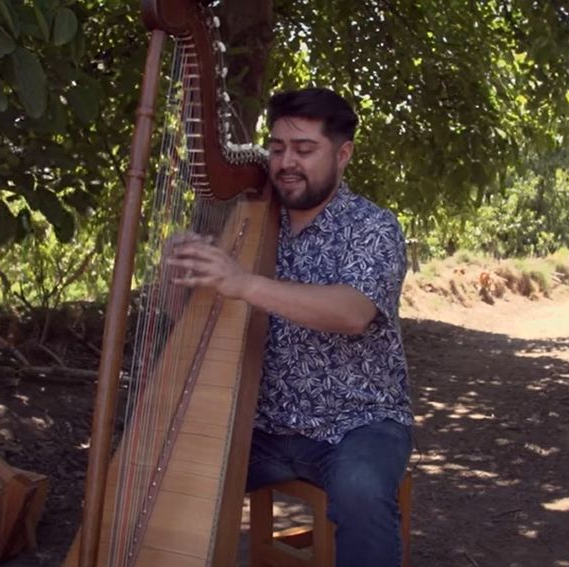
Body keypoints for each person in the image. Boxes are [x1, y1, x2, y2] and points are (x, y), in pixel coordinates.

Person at [168, 87, 412, 567]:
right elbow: (190, 321)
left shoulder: (373, 228)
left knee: (361, 492)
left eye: (304, 149)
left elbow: (353, 312)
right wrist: (174, 274)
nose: (285, 163)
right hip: (260, 428)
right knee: (169, 469)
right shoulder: (251, 224)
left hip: (358, 423)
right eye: (277, 148)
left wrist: (243, 283)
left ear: (343, 154)